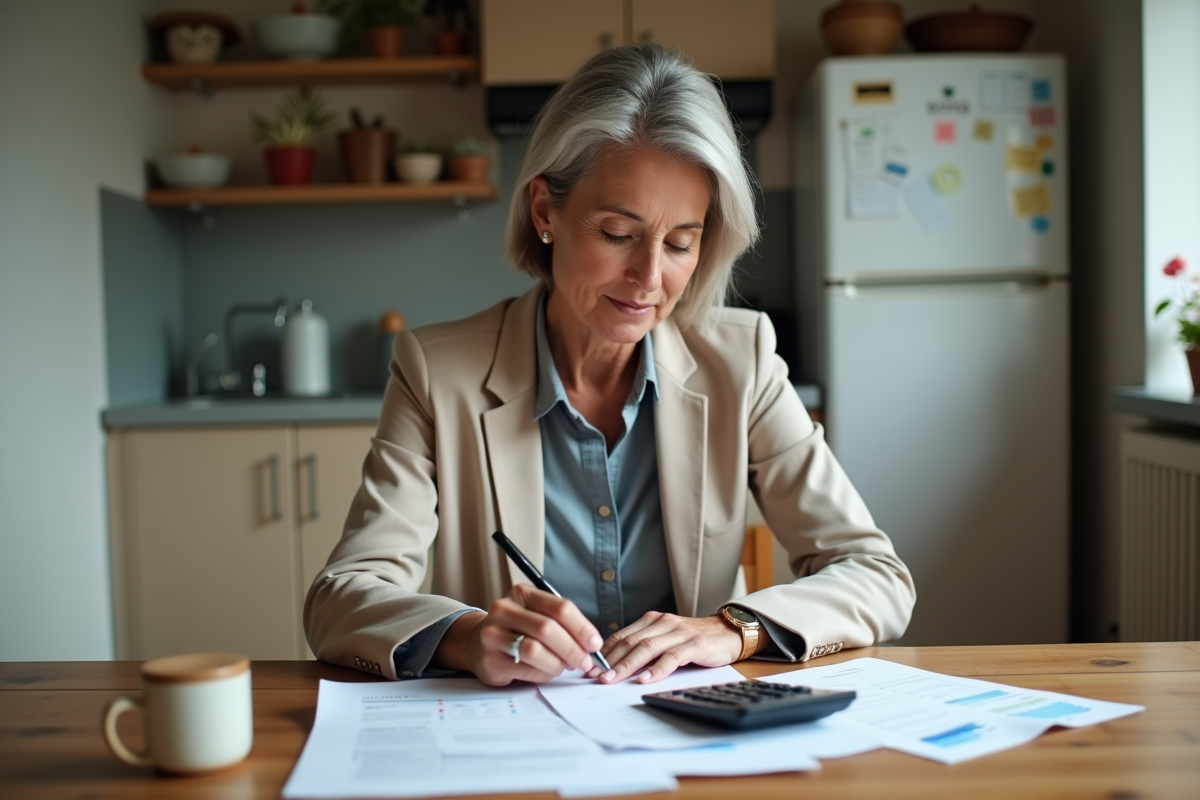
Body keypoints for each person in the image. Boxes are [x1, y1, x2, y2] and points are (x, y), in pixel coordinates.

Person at [304, 43, 915, 687]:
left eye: (680, 243)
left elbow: (876, 574)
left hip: (692, 725)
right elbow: (341, 598)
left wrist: (732, 630)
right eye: (618, 235)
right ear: (546, 211)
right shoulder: (437, 373)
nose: (649, 277)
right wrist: (469, 637)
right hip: (516, 726)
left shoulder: (744, 360)